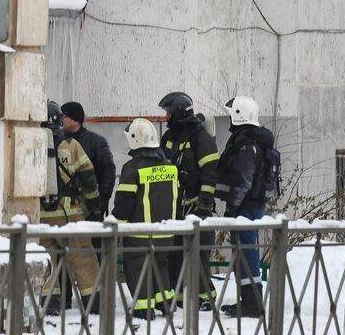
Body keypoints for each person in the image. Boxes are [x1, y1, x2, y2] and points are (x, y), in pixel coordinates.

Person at [215, 96, 276, 318]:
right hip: (251, 205)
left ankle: (252, 303)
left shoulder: (247, 143)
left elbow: (243, 179)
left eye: (233, 113)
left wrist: (233, 205)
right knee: (242, 251)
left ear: (240, 114)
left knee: (246, 250)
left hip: (246, 206)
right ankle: (248, 300)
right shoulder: (249, 140)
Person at [39, 100, 102, 316]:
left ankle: (51, 305)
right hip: (69, 215)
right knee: (83, 259)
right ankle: (94, 304)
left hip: (41, 217)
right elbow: (89, 178)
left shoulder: (32, 143)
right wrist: (95, 209)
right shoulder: (72, 145)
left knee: (48, 261)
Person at [112, 118, 179, 321]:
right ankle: (165, 302)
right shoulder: (170, 166)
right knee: (160, 264)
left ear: (135, 139)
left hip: (140, 233)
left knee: (136, 266)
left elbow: (124, 202)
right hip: (166, 231)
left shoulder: (132, 168)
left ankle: (143, 307)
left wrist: (116, 226)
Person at [158, 92, 219, 310]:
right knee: (174, 252)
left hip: (195, 206)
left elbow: (210, 172)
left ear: (180, 113)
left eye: (169, 113)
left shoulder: (199, 137)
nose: (166, 117)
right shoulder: (168, 138)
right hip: (174, 205)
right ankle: (179, 296)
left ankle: (206, 297)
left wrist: (204, 203)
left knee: (197, 253)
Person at [60, 102, 116, 218]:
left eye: (64, 117)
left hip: (90, 208)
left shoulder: (96, 142)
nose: (61, 120)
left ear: (75, 121)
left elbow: (108, 171)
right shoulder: (58, 142)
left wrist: (102, 201)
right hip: (64, 210)